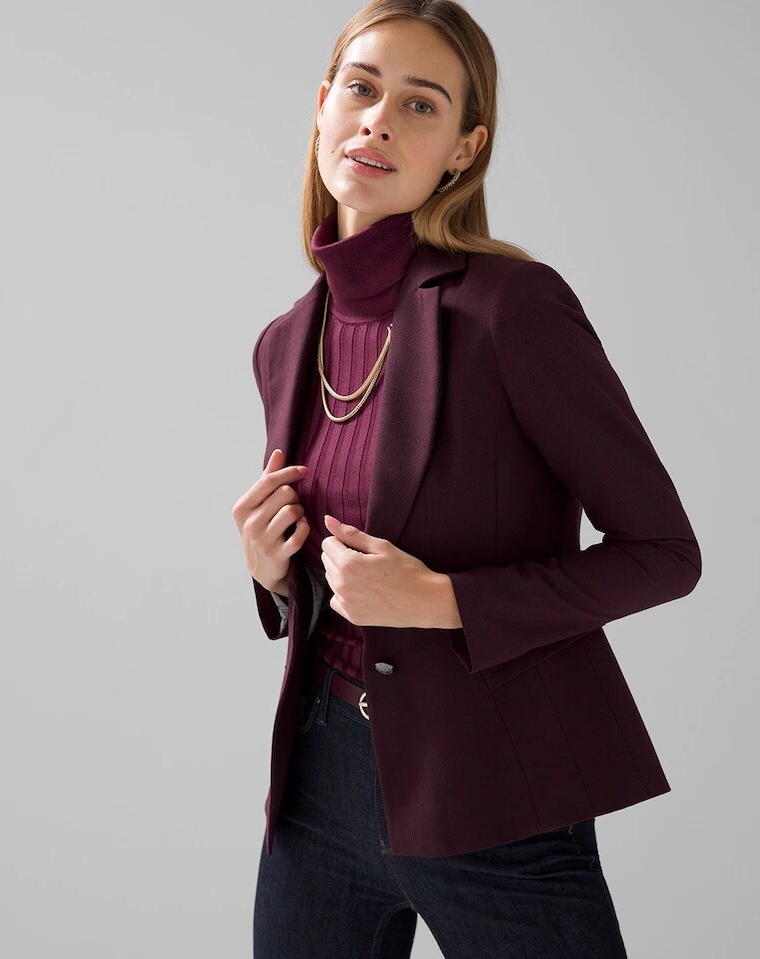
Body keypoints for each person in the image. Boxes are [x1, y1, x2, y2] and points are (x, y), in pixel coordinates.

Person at [231, 2, 702, 956]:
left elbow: (664, 554)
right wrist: (271, 570)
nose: (377, 120)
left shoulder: (511, 310)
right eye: (361, 89)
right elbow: (338, 581)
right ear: (322, 106)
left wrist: (444, 600)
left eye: (420, 104)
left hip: (495, 794)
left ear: (462, 149)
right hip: (319, 788)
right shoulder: (284, 342)